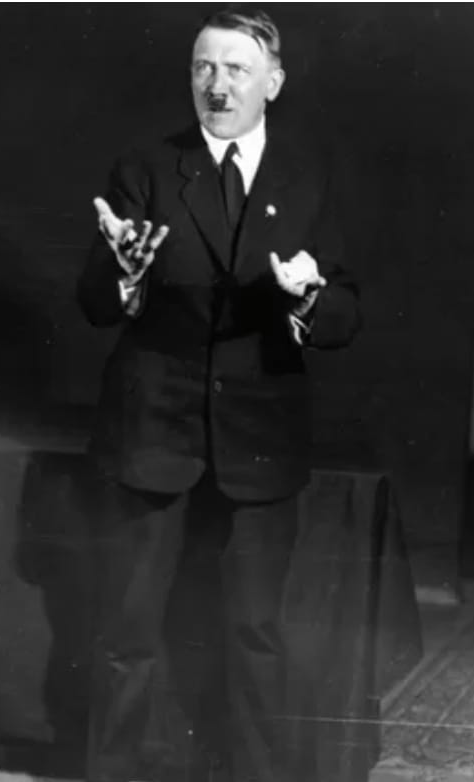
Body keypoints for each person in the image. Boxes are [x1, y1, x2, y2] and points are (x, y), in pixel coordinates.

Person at [77, 7, 361, 782]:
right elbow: (94, 301)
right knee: (127, 633)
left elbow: (346, 312)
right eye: (204, 67)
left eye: (237, 69)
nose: (217, 84)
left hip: (259, 436)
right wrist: (125, 275)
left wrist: (307, 297)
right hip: (152, 429)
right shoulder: (145, 167)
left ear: (274, 82)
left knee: (254, 635)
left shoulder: (310, 174)